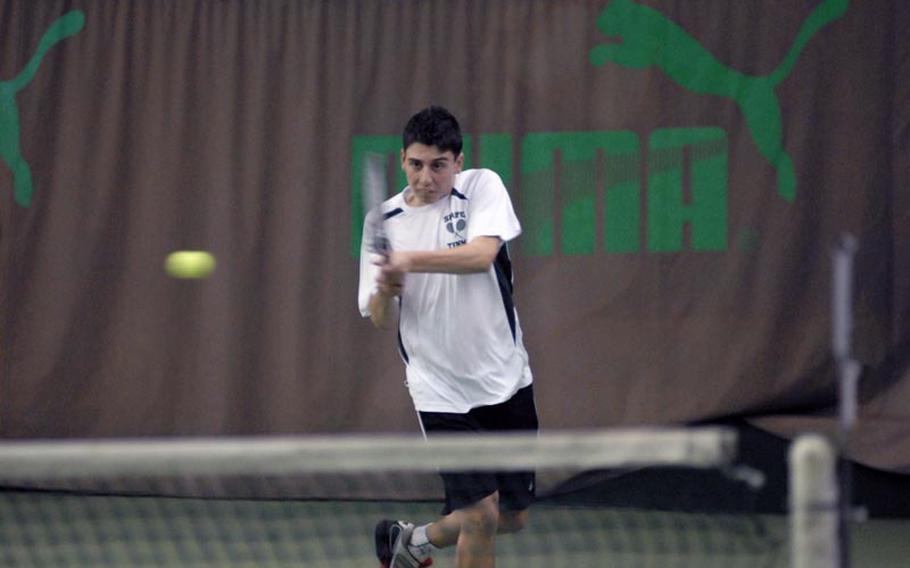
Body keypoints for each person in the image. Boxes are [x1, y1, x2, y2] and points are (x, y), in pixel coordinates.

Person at [358, 106, 537, 568]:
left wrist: (409, 262)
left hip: (505, 377)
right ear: (403, 160)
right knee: (480, 516)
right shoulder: (384, 220)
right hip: (439, 390)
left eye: (438, 165)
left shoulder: (482, 187)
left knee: (512, 517)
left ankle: (413, 541)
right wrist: (386, 289)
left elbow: (481, 256)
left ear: (458, 161)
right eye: (416, 164)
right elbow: (379, 317)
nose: (426, 177)